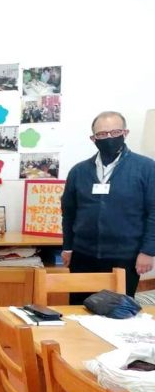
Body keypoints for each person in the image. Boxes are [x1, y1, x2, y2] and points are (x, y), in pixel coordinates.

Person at [61, 111, 155, 301]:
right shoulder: (78, 171)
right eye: (102, 134)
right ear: (93, 138)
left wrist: (148, 251)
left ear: (125, 133)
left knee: (117, 312)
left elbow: (153, 213)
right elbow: (68, 213)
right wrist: (68, 247)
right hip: (83, 255)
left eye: (115, 132)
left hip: (125, 257)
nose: (109, 138)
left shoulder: (146, 168)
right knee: (78, 309)